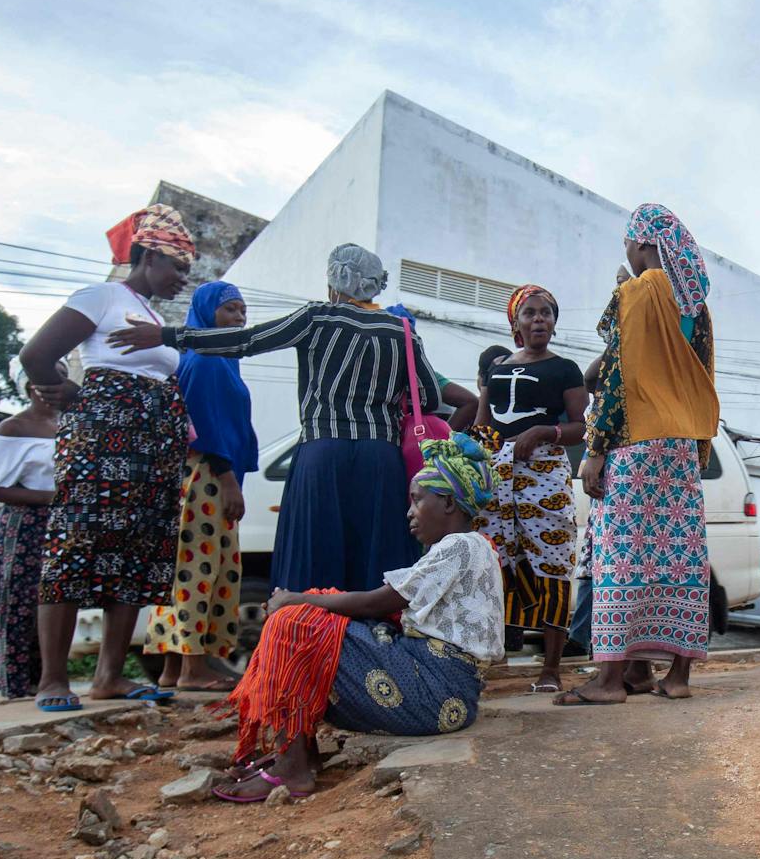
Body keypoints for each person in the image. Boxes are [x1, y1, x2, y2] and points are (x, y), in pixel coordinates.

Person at [108, 244, 480, 593]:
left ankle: (310, 644)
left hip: (322, 451)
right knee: (374, 558)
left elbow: (247, 340)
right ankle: (371, 648)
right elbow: (429, 396)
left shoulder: (316, 317)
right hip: (379, 459)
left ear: (336, 281)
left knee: (314, 556)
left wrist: (167, 335)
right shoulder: (400, 331)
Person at [209, 437, 503, 802]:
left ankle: (293, 766)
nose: (409, 511)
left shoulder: (460, 546)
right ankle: (299, 754)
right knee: (313, 624)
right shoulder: (473, 547)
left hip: (435, 691)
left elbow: (378, 603)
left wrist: (298, 598)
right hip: (441, 688)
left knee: (295, 624)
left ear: (446, 502)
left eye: (417, 499)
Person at [17, 204, 195, 711]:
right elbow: (36, 354)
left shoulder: (155, 316)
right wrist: (65, 392)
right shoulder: (102, 296)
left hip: (152, 444)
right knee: (76, 543)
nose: (182, 278)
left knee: (137, 550)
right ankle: (53, 680)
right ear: (146, 255)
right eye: (177, 267)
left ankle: (109, 677)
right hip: (102, 438)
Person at [558, 204, 719, 705]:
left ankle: (609, 680)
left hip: (637, 441)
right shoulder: (695, 303)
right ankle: (667, 676)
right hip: (681, 444)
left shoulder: (638, 292)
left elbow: (617, 376)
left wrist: (595, 449)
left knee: (621, 557)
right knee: (679, 557)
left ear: (641, 243)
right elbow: (703, 372)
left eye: (627, 240)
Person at [472, 286, 587, 694]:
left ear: (554, 323)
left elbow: (580, 427)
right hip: (498, 477)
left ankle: (551, 670)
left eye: (546, 313)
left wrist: (544, 431)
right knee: (493, 562)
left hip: (546, 476)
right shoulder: (499, 367)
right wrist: (471, 460)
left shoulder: (566, 369)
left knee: (553, 563)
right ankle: (488, 662)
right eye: (530, 313)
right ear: (516, 323)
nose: (539, 319)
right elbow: (484, 425)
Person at [144, 281, 256, 691]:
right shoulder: (207, 360)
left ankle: (174, 670)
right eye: (230, 310)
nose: (239, 318)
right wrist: (228, 481)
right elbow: (204, 428)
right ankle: (194, 669)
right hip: (208, 476)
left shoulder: (218, 358)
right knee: (201, 568)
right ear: (207, 313)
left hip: (206, 475)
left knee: (192, 568)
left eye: (243, 311)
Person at [0, 360, 65, 704]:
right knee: (20, 605)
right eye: (49, 377)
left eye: (63, 376)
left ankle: (36, 681)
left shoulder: (70, 425)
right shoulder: (14, 427)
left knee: (56, 604)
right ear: (29, 387)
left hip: (62, 526)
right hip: (24, 527)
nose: (57, 383)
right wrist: (47, 498)